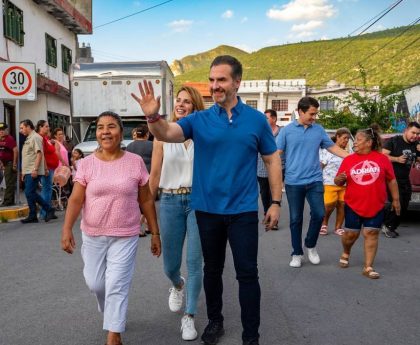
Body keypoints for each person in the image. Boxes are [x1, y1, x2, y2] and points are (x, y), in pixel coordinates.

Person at [132, 55, 282, 345]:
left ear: (237, 82)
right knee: (211, 270)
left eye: (221, 80)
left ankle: (252, 336)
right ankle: (215, 321)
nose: (215, 85)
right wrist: (153, 117)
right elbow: (168, 133)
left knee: (248, 274)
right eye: (212, 80)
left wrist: (275, 202)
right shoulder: (199, 120)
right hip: (207, 210)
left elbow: (272, 160)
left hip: (243, 211)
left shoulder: (256, 120)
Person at [61, 111, 161, 345]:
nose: (105, 131)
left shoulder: (134, 162)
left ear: (121, 131)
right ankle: (111, 314)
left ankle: (114, 334)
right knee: (96, 283)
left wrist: (155, 233)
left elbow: (145, 200)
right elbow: (76, 200)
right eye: (100, 127)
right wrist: (66, 229)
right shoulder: (86, 164)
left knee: (117, 283)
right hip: (93, 234)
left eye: (112, 126)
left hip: (126, 234)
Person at [148, 86, 205, 341]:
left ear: (195, 107)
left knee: (195, 262)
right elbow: (155, 175)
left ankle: (189, 316)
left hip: (197, 202)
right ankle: (176, 284)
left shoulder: (203, 134)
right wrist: (146, 208)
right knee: (170, 264)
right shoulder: (162, 135)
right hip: (170, 200)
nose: (181, 104)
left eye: (187, 102)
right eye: (179, 101)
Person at [276, 97, 348, 268]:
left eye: (316, 114)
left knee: (318, 214)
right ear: (300, 111)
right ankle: (296, 253)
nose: (314, 117)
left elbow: (333, 148)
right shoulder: (286, 131)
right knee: (295, 219)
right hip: (294, 182)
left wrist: (357, 157)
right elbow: (276, 153)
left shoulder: (319, 130)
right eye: (311, 113)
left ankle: (310, 245)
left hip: (315, 180)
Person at [335, 126, 400, 279]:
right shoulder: (349, 159)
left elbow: (391, 180)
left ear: (369, 142)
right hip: (353, 204)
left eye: (358, 140)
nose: (354, 143)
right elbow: (338, 181)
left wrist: (396, 200)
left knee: (371, 233)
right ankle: (346, 251)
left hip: (376, 204)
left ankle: (368, 266)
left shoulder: (382, 159)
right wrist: (339, 179)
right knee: (350, 235)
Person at [382, 122, 420, 238]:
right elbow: (383, 156)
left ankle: (390, 225)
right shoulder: (394, 141)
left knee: (404, 204)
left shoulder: (416, 144)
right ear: (406, 130)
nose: (415, 136)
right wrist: (396, 159)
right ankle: (388, 226)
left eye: (418, 134)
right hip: (392, 179)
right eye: (413, 132)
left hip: (405, 179)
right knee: (396, 203)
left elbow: (418, 159)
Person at [19, 119, 56, 223]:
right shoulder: (28, 138)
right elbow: (28, 156)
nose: (21, 130)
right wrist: (23, 172)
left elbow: (40, 154)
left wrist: (36, 169)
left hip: (33, 170)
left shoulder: (35, 137)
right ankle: (33, 215)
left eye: (22, 128)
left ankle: (48, 209)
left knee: (29, 192)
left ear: (28, 126)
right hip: (28, 170)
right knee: (29, 193)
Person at [319, 128, 352, 236]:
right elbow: (321, 166)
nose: (346, 140)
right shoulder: (328, 150)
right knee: (329, 205)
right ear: (337, 137)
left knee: (342, 205)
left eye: (348, 138)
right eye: (344, 138)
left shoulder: (349, 152)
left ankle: (338, 227)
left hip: (345, 184)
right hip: (329, 183)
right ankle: (324, 224)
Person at [127, 125, 153, 237]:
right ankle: (139, 227)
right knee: (146, 201)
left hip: (133, 177)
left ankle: (149, 226)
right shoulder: (152, 145)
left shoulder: (129, 146)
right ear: (147, 134)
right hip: (148, 176)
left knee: (138, 202)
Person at [257, 109, 281, 230]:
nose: (264, 120)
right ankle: (267, 213)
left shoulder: (281, 133)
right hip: (261, 169)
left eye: (267, 118)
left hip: (277, 169)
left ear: (274, 119)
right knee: (264, 194)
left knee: (275, 194)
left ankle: (274, 220)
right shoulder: (260, 131)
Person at [36, 120, 59, 219]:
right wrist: (45, 168)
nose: (48, 128)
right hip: (47, 168)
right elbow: (42, 154)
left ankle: (48, 210)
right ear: (40, 127)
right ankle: (44, 213)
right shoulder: (40, 138)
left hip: (51, 167)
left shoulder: (45, 138)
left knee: (48, 190)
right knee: (46, 190)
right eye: (46, 126)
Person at [0, 122, 18, 206]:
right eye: (0, 130)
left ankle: (7, 201)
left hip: (10, 163)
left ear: (7, 130)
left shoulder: (9, 139)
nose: (1, 131)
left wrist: (14, 164)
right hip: (4, 164)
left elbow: (15, 151)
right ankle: (10, 201)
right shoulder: (1, 139)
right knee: (8, 182)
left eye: (3, 130)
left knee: (9, 183)